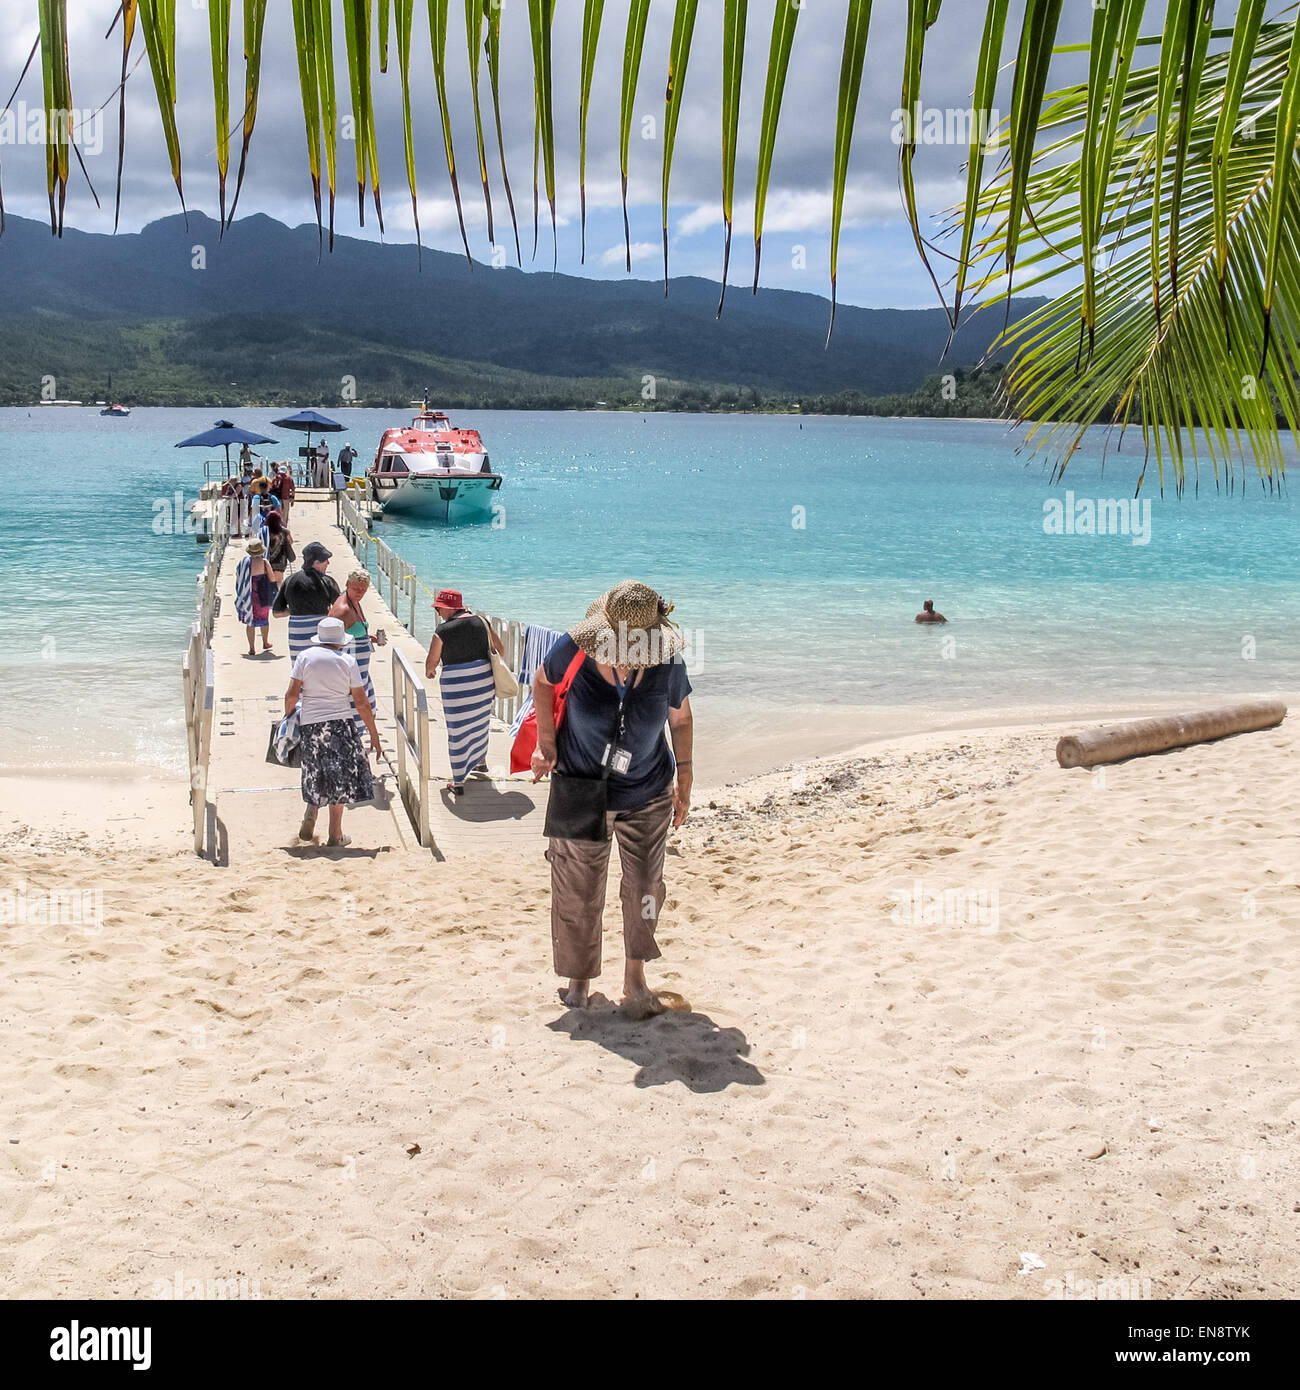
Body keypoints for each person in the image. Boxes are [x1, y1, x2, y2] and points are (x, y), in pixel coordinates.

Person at [531, 581, 693, 1016]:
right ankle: (579, 979)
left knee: (644, 887)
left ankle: (635, 979)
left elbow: (680, 718)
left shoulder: (666, 662)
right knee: (577, 890)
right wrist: (546, 743)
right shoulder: (576, 647)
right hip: (579, 784)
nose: (624, 655)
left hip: (649, 789)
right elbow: (543, 682)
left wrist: (686, 780)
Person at [284, 616, 381, 848]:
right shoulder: (347, 661)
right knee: (340, 779)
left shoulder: (305, 657)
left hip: (311, 725)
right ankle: (335, 834)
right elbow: (361, 702)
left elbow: (292, 694)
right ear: (341, 641)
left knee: (316, 771)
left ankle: (312, 811)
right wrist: (374, 736)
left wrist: (289, 721)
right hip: (340, 724)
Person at [424, 588, 505, 795]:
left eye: (439, 609)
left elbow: (432, 661)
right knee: (479, 721)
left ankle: (458, 781)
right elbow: (500, 649)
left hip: (457, 685)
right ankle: (480, 762)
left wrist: (430, 671)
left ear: (447, 609)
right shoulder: (482, 622)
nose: (439, 613)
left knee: (457, 730)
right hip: (483, 680)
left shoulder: (442, 630)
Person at [329, 569, 387, 727]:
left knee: (368, 710)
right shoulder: (342, 610)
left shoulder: (353, 601)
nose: (360, 593)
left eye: (363, 589)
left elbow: (350, 634)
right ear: (347, 584)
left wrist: (367, 639)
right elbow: (329, 643)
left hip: (360, 671)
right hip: (349, 674)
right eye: (356, 589)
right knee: (356, 716)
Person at [273, 540, 340, 662]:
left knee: (299, 672)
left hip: (297, 636)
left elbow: (276, 613)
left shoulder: (289, 581)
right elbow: (340, 610)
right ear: (316, 562)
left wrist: (293, 611)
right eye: (325, 559)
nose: (328, 562)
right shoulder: (328, 581)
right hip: (321, 636)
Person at [234, 539, 273, 656]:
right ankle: (265, 642)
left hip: (249, 594)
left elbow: (238, 576)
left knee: (250, 622)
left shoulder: (244, 563)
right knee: (264, 619)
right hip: (262, 593)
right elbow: (272, 578)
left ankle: (251, 648)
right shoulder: (265, 562)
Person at [264, 510, 294, 609]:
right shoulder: (284, 531)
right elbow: (291, 541)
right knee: (279, 581)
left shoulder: (265, 531)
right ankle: (281, 602)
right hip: (281, 560)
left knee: (269, 581)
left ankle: (270, 601)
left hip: (268, 560)